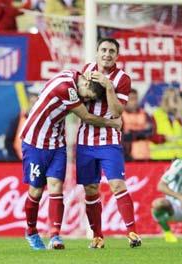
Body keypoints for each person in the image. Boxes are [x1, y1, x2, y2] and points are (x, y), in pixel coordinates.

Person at [21, 70, 121, 250]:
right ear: (85, 85)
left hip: (57, 141)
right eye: (88, 97)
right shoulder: (66, 88)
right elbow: (87, 117)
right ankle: (31, 231)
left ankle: (54, 236)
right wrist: (113, 123)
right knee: (36, 190)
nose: (87, 101)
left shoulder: (75, 75)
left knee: (56, 186)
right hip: (35, 141)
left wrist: (107, 85)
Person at [78, 38, 141, 249]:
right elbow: (78, 98)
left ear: (117, 55)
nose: (107, 54)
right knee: (90, 188)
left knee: (116, 184)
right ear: (97, 52)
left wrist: (108, 87)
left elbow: (116, 112)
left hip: (109, 139)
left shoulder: (122, 78)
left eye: (111, 51)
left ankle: (131, 232)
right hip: (84, 140)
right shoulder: (86, 69)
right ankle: (97, 236)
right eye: (103, 50)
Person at [150, 88, 182, 160]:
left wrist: (178, 113)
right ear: (166, 100)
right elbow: (151, 136)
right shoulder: (156, 115)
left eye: (177, 99)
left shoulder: (181, 116)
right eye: (174, 99)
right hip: (162, 158)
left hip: (180, 158)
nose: (176, 102)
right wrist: (164, 138)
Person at [121, 88, 153, 160]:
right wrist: (142, 131)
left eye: (136, 99)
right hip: (128, 157)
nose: (134, 102)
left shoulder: (144, 114)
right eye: (131, 99)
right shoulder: (121, 116)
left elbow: (150, 132)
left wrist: (132, 133)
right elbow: (124, 136)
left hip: (145, 156)